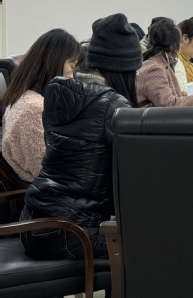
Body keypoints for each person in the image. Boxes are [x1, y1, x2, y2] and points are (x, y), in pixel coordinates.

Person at [20, 13, 142, 259]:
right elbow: (131, 179)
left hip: (32, 222)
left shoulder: (58, 93)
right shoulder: (114, 105)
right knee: (153, 244)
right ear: (124, 70)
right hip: (70, 233)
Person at [2, 29, 81, 182]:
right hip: (49, 188)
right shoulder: (34, 109)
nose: (72, 77)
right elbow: (47, 168)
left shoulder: (25, 98)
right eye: (72, 67)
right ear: (55, 63)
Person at [137, 18, 193, 107]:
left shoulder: (161, 63)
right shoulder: (154, 69)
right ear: (173, 45)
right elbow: (169, 104)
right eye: (179, 42)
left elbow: (174, 95)